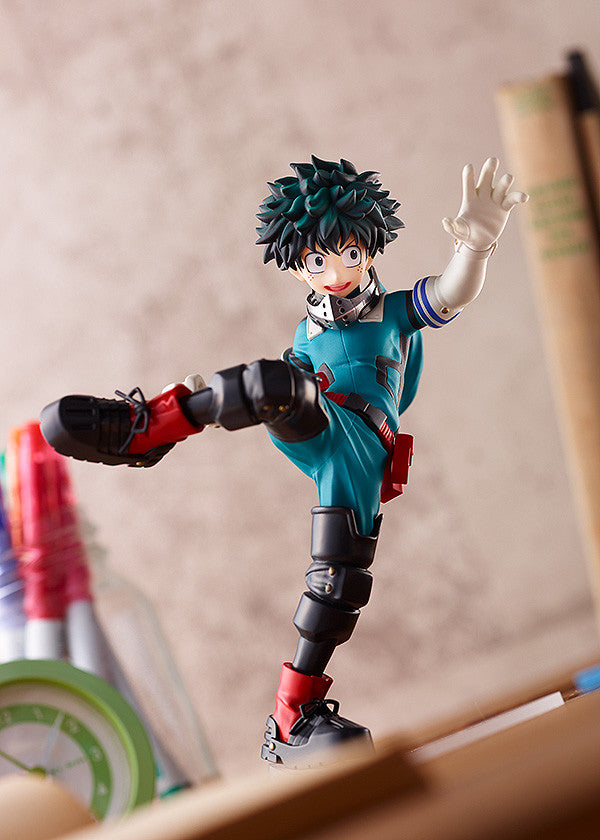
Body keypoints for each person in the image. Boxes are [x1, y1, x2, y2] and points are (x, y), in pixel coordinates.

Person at [40, 155, 527, 767]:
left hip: (364, 446)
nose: (336, 273)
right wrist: (213, 395)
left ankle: (292, 717)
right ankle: (151, 427)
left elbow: (452, 294)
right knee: (274, 382)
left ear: (371, 247)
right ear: (296, 266)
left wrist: (476, 245)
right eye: (317, 262)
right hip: (319, 426)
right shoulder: (306, 335)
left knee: (339, 582)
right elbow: (274, 384)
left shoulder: (393, 313)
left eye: (349, 253)